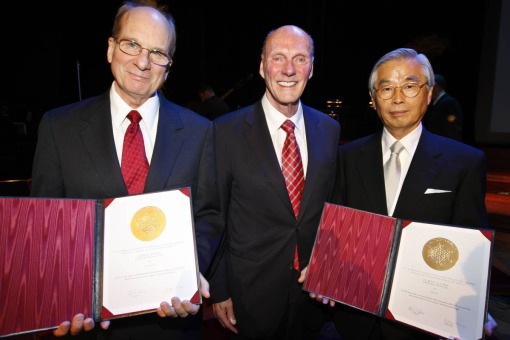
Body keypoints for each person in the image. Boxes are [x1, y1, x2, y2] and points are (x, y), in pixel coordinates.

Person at [30, 1, 221, 339]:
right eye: (132, 44)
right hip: (87, 325)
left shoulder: (199, 131)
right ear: (110, 48)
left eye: (158, 52)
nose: (143, 62)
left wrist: (190, 273)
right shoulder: (58, 127)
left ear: (168, 66)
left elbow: (208, 215)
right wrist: (60, 295)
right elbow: (46, 225)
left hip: (171, 324)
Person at [327, 47, 497, 339]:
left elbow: (472, 247)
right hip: (353, 318)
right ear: (373, 98)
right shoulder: (346, 156)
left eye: (409, 86)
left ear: (428, 94)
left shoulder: (464, 163)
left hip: (423, 323)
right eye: (386, 88)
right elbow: (335, 230)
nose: (397, 98)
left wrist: (473, 305)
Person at [206, 25, 341, 340]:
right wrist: (220, 288)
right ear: (262, 66)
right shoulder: (224, 132)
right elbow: (215, 214)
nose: (289, 70)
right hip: (249, 292)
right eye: (278, 58)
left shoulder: (328, 129)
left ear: (311, 68)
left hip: (313, 295)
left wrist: (329, 264)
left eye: (300, 59)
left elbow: (332, 208)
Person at [423, 73, 463, 141]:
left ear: (436, 87)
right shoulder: (435, 104)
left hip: (444, 145)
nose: (427, 90)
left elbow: (452, 129)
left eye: (429, 87)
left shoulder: (449, 102)